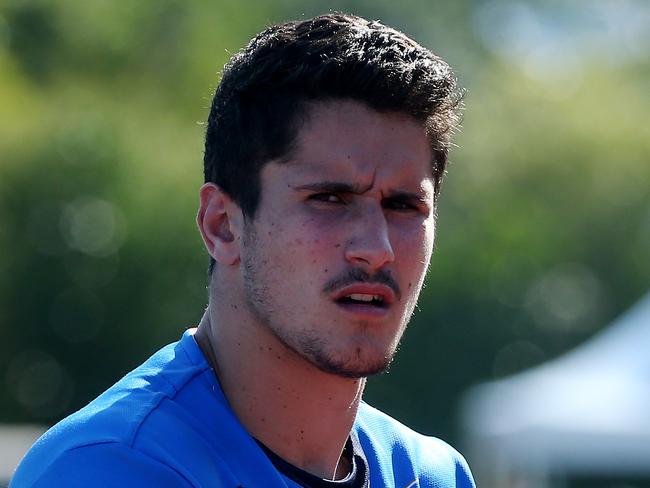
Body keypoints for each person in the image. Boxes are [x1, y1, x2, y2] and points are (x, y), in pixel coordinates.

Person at [12, 13, 474, 488]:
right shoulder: (109, 470)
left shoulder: (432, 475)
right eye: (330, 199)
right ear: (222, 226)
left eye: (403, 205)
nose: (375, 249)